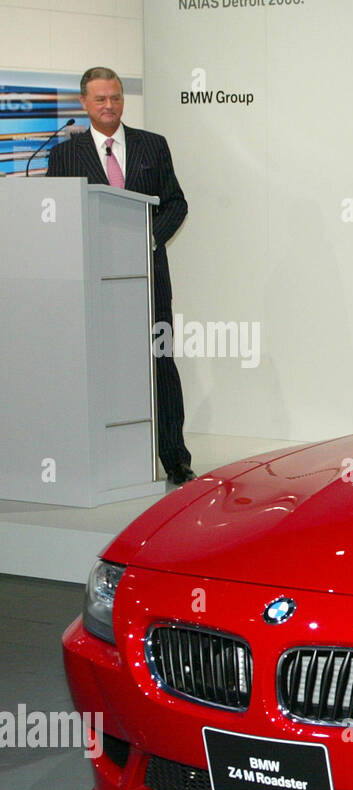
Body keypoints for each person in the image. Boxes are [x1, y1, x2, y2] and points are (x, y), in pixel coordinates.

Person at [46, 67, 195, 485]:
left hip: (148, 279)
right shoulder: (64, 155)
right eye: (100, 99)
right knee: (97, 366)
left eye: (115, 97)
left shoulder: (153, 145)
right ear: (84, 104)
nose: (109, 105)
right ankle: (99, 459)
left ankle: (175, 459)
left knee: (159, 363)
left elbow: (177, 204)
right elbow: (59, 218)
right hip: (93, 285)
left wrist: (147, 241)